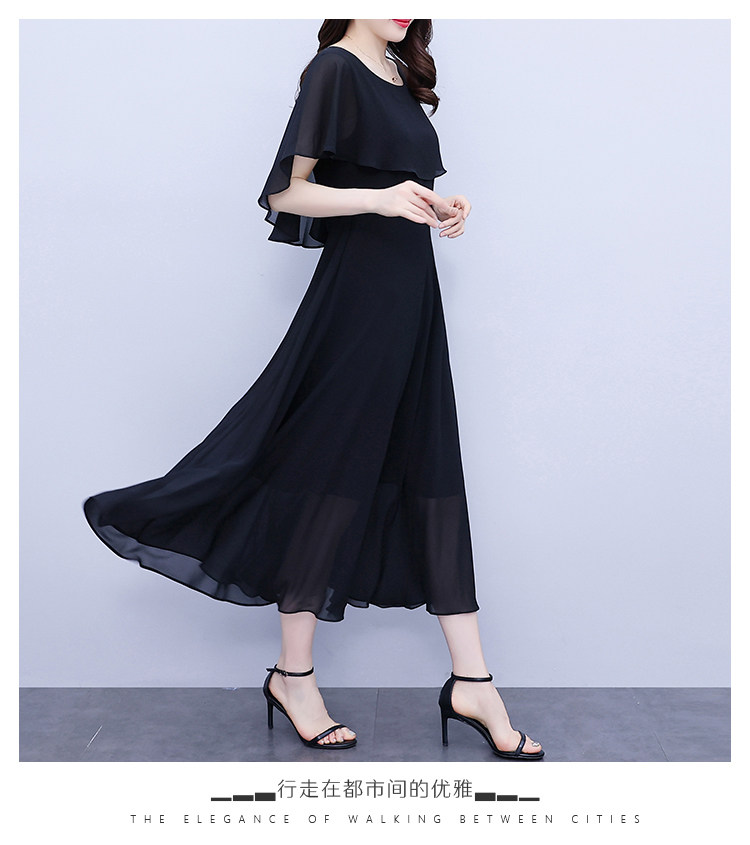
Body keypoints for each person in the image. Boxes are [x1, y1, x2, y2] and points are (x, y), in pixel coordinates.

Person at [83, 19, 544, 761]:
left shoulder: (399, 71)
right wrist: (380, 200)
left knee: (430, 469)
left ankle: (473, 679)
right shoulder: (334, 68)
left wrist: (439, 204)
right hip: (358, 302)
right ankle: (294, 676)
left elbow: (395, 185)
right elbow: (287, 191)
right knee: (327, 471)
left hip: (411, 298)